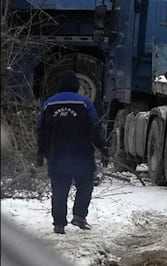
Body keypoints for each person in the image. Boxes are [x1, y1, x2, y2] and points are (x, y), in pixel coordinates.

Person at [37, 71, 106, 234]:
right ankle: (79, 215)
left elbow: (41, 130)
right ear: (76, 86)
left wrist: (41, 153)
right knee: (85, 184)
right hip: (81, 155)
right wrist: (103, 148)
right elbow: (94, 128)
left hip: (57, 155)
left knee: (59, 189)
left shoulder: (48, 104)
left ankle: (59, 224)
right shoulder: (85, 103)